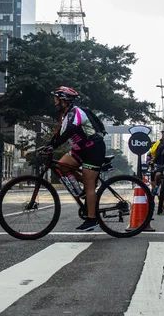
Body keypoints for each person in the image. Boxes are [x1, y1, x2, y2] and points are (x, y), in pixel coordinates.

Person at [46, 86, 106, 232]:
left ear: (65, 101)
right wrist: (47, 146)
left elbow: (70, 132)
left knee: (90, 185)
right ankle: (84, 187)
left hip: (93, 148)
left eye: (57, 99)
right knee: (61, 166)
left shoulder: (76, 112)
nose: (55, 102)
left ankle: (92, 220)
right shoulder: (65, 116)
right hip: (79, 150)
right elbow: (58, 136)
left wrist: (54, 146)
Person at [152, 129, 164, 215]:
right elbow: (154, 154)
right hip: (160, 165)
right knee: (157, 174)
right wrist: (153, 161)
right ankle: (156, 186)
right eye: (163, 133)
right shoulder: (158, 144)